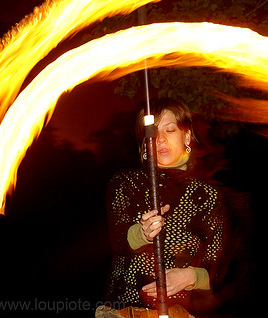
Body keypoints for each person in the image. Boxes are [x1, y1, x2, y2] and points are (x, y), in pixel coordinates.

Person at [98, 99, 228, 317]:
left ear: (186, 136)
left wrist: (191, 276)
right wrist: (142, 233)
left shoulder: (209, 195)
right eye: (152, 133)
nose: (160, 139)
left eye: (170, 130)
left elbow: (221, 266)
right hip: (125, 310)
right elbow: (118, 239)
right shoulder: (126, 182)